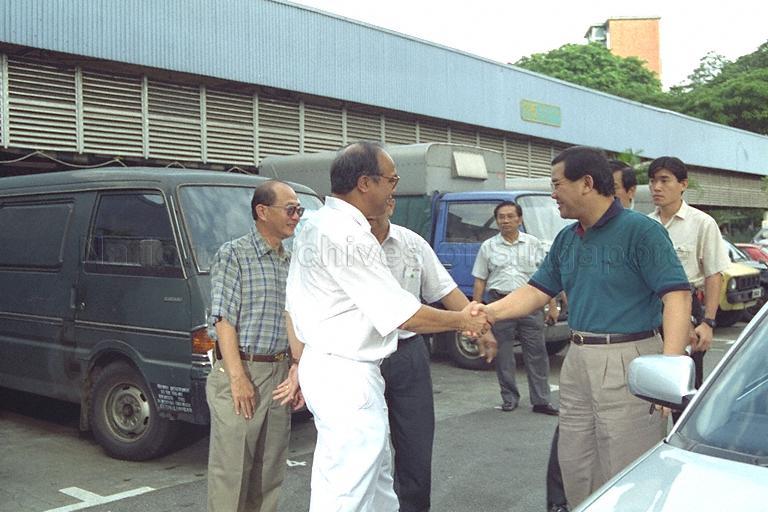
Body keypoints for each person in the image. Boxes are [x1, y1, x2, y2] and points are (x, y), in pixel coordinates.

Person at [477, 146, 691, 508]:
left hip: (630, 358)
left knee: (627, 468)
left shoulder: (642, 232)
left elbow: (678, 297)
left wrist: (668, 370)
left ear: (587, 183)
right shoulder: (567, 237)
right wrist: (486, 313)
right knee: (575, 464)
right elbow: (534, 291)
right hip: (578, 360)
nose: (553, 193)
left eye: (557, 184)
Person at [286, 141, 489, 512]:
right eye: (391, 180)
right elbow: (401, 313)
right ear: (365, 183)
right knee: (346, 492)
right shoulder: (346, 235)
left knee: (375, 482)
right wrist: (463, 319)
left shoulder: (316, 222)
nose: (394, 189)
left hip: (339, 367)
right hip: (346, 372)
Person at [368, 197, 497, 512]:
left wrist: (482, 330)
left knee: (415, 442)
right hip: (363, 357)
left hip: (408, 353)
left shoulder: (412, 243)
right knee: (366, 448)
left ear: (392, 205)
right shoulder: (349, 246)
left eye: (387, 199)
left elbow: (445, 290)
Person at [206, 180, 305, 512]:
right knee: (232, 472)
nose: (296, 216)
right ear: (263, 212)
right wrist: (238, 378)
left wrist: (296, 369)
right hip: (242, 369)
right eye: (290, 209)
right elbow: (224, 320)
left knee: (270, 472)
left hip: (279, 374)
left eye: (299, 210)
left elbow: (297, 321)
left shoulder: (292, 262)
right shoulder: (234, 254)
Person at [647, 156, 729, 388]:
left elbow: (714, 274)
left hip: (686, 306)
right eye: (653, 181)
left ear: (683, 184)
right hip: (648, 308)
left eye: (665, 180)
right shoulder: (645, 224)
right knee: (650, 385)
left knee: (683, 387)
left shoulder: (701, 223)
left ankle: (683, 425)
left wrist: (708, 323)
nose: (657, 187)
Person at [472, 201, 559, 415]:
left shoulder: (534, 244)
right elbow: (480, 280)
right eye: (501, 217)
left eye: (511, 216)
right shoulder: (488, 247)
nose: (506, 220)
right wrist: (476, 310)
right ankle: (509, 398)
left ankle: (541, 401)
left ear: (519, 219)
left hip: (530, 306)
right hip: (499, 304)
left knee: (537, 353)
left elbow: (545, 277)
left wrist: (553, 305)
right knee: (504, 354)